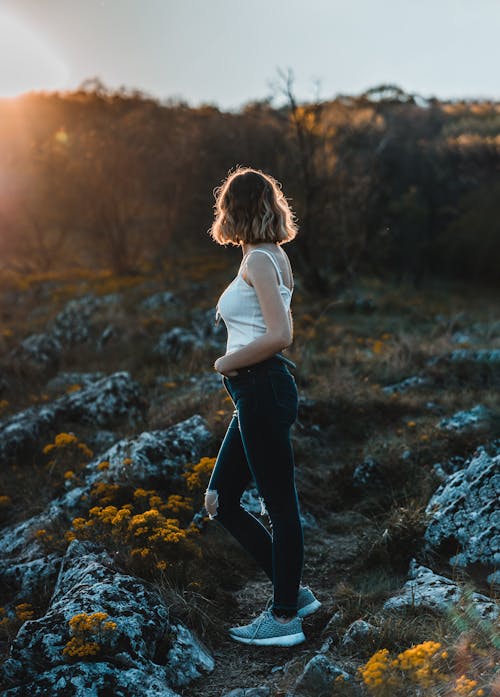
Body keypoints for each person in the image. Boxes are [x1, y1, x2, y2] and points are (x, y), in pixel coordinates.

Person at [204, 166, 321, 647]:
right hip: (253, 394)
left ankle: (285, 616)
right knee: (220, 501)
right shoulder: (267, 255)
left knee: (279, 504)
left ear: (235, 209)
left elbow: (280, 335)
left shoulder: (260, 262)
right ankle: (296, 593)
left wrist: (223, 361)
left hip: (260, 389)